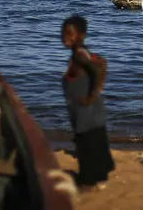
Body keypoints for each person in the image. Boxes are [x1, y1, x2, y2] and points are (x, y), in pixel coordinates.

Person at [61, 15, 115, 191]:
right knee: (92, 142)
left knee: (87, 146)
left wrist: (93, 94)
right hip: (87, 111)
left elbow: (99, 67)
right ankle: (97, 178)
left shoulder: (79, 54)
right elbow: (101, 63)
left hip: (87, 112)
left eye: (70, 33)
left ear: (81, 35)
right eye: (63, 33)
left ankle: (87, 183)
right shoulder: (81, 52)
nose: (65, 37)